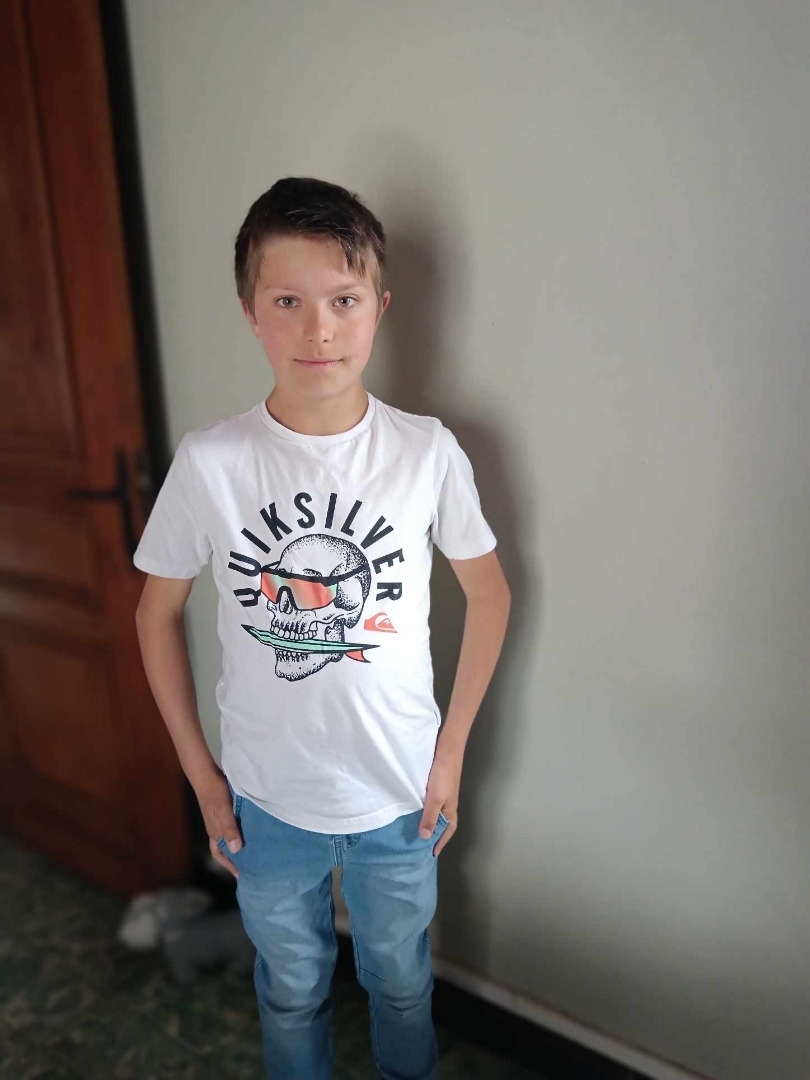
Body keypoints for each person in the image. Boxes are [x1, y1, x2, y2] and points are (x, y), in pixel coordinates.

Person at [133, 177, 511, 1080]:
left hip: (400, 791)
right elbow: (155, 613)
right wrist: (202, 776)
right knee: (291, 989)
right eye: (287, 302)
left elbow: (490, 595)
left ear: (379, 306)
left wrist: (450, 754)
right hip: (267, 798)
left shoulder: (425, 451)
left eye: (343, 300)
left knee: (401, 986)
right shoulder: (213, 463)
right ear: (250, 312)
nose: (318, 330)